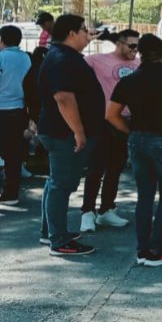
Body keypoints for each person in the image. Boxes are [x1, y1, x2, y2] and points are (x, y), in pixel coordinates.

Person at [104, 35, 162, 267]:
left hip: (138, 139)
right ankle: (156, 248)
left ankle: (142, 248)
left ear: (140, 53)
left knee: (144, 196)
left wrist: (130, 131)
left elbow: (111, 115)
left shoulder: (129, 80)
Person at [37, 14, 103, 256]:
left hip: (61, 131)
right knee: (61, 185)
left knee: (56, 182)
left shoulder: (64, 56)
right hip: (64, 133)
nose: (88, 34)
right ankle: (59, 239)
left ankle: (51, 231)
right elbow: (63, 97)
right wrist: (79, 131)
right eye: (84, 30)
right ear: (72, 33)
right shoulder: (62, 59)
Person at [81, 29, 140, 231]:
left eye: (137, 46)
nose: (135, 50)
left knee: (116, 167)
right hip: (103, 121)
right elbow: (74, 64)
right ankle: (87, 212)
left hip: (126, 121)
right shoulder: (97, 60)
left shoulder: (138, 64)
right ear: (119, 43)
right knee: (96, 168)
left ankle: (107, 209)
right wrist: (87, 41)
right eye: (131, 45)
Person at [0, 25, 30, 202]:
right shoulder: (26, 58)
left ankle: (9, 191)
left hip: (2, 108)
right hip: (19, 108)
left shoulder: (1, 58)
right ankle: (12, 191)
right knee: (13, 153)